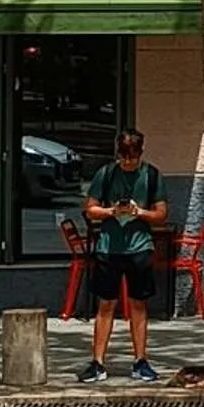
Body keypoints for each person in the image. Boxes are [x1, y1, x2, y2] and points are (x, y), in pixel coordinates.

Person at [78, 128, 166, 385]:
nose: (128, 162)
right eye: (124, 157)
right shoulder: (105, 174)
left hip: (139, 247)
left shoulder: (151, 175)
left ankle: (140, 360)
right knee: (106, 304)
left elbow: (161, 214)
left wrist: (140, 213)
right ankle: (98, 362)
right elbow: (90, 209)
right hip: (108, 247)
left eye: (133, 157)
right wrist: (110, 211)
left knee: (138, 304)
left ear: (140, 154)